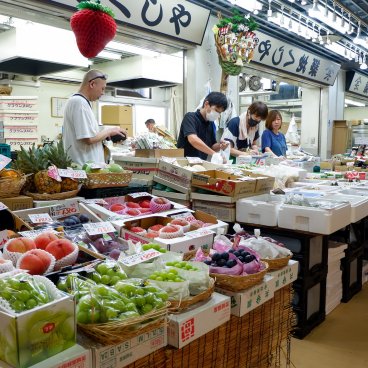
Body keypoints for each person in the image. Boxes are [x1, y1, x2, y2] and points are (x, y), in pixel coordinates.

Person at [62, 69, 126, 166]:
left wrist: (108, 133)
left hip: (88, 167)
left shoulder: (81, 102)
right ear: (92, 84)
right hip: (85, 168)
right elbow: (88, 139)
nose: (103, 93)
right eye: (102, 88)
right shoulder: (79, 102)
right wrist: (109, 131)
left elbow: (90, 135)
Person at [177, 92, 229, 160]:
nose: (218, 115)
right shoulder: (190, 117)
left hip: (200, 163)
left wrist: (220, 145)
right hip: (184, 163)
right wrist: (214, 154)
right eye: (216, 110)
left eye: (219, 113)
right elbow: (193, 140)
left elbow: (212, 146)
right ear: (206, 104)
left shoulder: (210, 124)